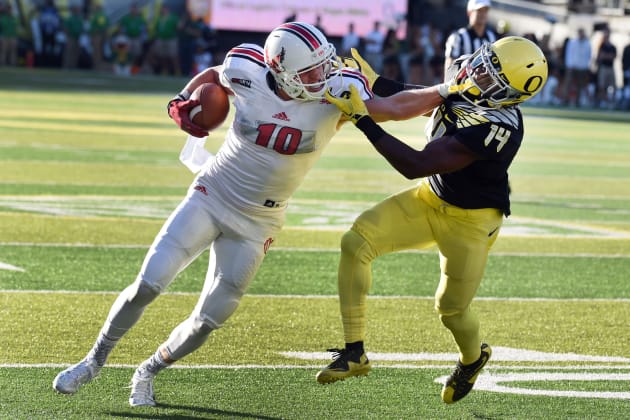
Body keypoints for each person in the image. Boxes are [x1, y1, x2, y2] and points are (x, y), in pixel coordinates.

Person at [51, 21, 456, 407]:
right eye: (313, 70)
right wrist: (184, 101)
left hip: (260, 221)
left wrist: (445, 89)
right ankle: (94, 360)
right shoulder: (246, 67)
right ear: (282, 71)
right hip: (212, 194)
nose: (325, 74)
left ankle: (148, 370)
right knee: (149, 283)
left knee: (210, 319)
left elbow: (395, 107)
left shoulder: (338, 90)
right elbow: (213, 76)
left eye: (324, 63)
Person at [318, 36, 548, 405]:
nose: (478, 73)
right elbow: (425, 98)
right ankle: (354, 351)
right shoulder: (474, 83)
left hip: (470, 224)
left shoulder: (498, 127)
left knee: (450, 310)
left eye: (490, 75)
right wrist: (375, 83)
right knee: (356, 242)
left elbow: (417, 164)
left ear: (508, 95)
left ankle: (472, 360)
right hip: (430, 200)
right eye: (484, 61)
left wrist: (363, 119)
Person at [444, 0, 497, 75]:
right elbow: (449, 68)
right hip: (463, 84)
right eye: (479, 10)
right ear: (469, 13)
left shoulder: (491, 36)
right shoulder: (458, 37)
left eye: (485, 10)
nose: (483, 14)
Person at [561, 27, 592, 107]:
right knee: (568, 83)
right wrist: (569, 65)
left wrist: (586, 66)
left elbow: (588, 56)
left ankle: (577, 101)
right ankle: (564, 100)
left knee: (580, 85)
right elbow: (569, 54)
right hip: (572, 66)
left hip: (582, 68)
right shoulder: (573, 42)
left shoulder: (587, 43)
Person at [594, 28, 617, 108]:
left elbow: (613, 57)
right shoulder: (601, 46)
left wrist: (606, 56)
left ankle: (611, 102)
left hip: (610, 67)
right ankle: (603, 101)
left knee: (612, 86)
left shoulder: (613, 46)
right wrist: (606, 56)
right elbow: (600, 56)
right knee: (602, 86)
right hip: (603, 67)